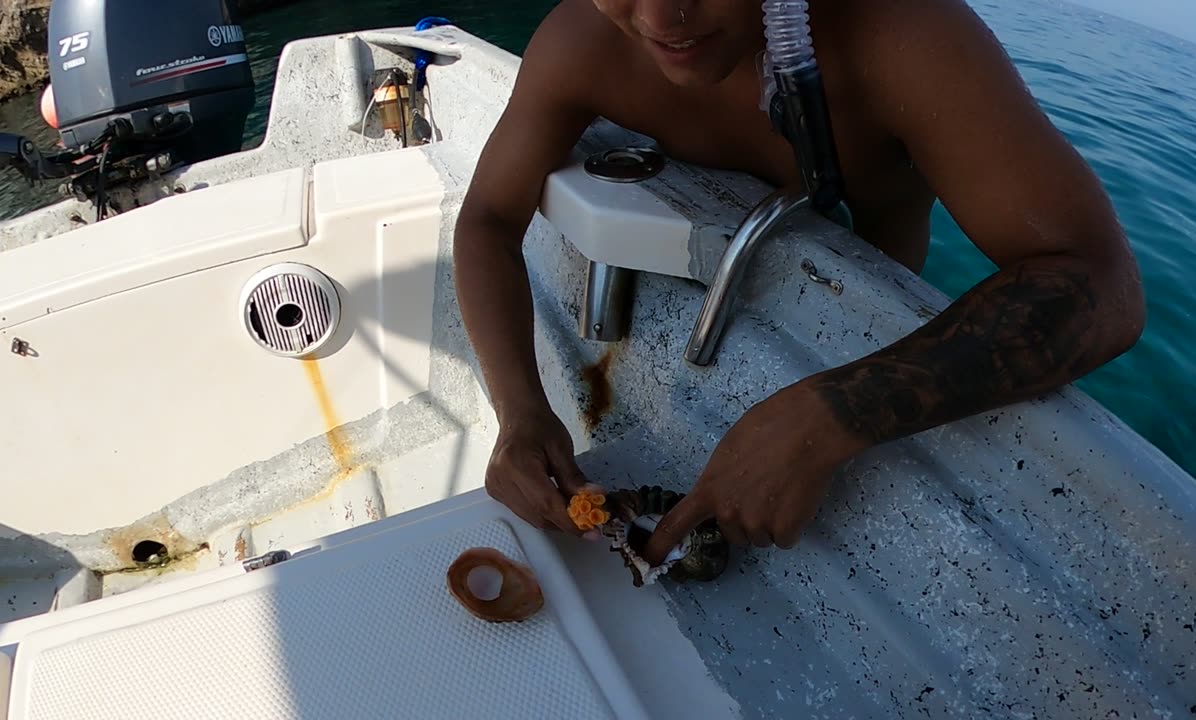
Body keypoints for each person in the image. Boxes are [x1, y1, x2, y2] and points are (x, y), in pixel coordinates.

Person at [453, 0, 1146, 566]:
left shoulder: (899, 36)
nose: (662, 18)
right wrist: (519, 412)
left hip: (869, 336)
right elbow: (487, 218)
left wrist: (833, 416)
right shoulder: (583, 41)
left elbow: (1104, 285)